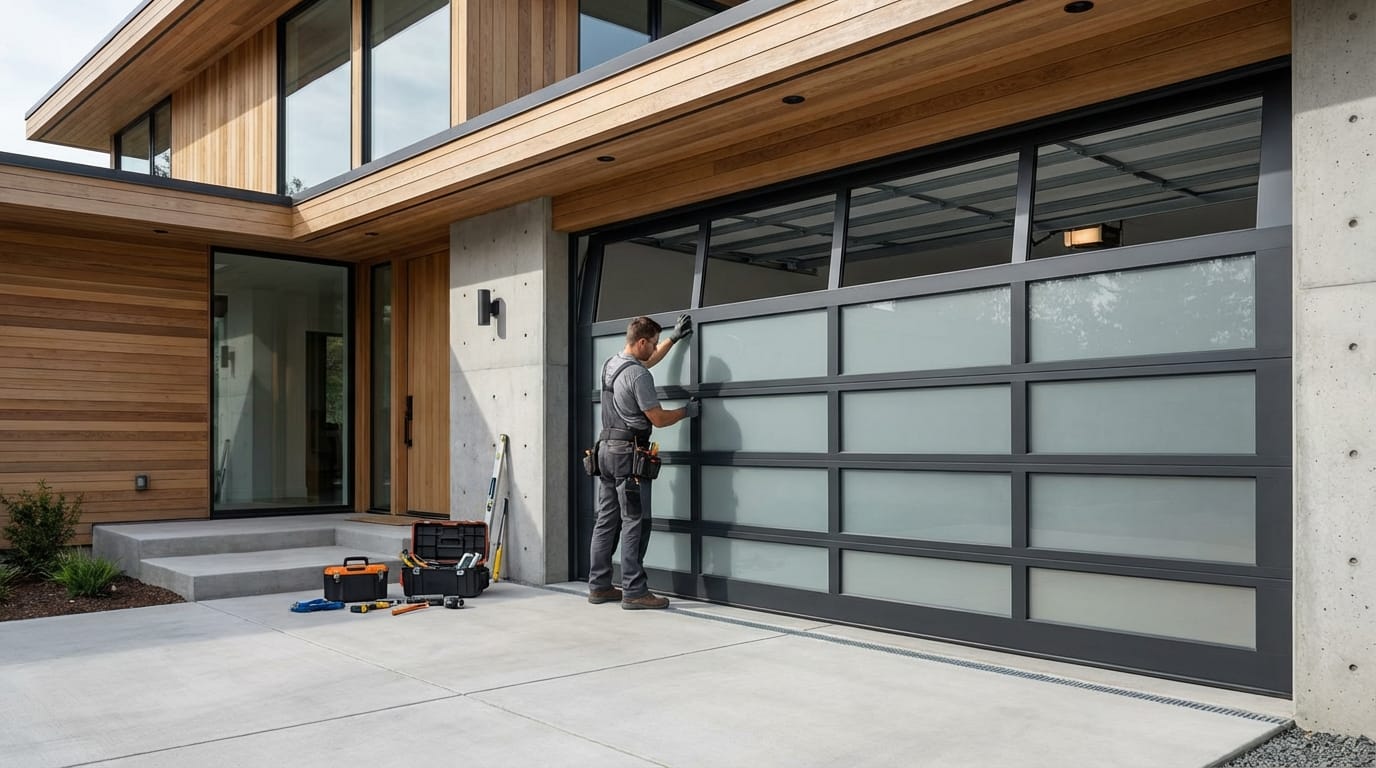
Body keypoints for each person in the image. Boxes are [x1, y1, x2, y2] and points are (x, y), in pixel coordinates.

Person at [588, 314, 699, 609]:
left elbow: (646, 362)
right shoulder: (639, 376)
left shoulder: (612, 364)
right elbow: (658, 419)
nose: (653, 348)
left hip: (605, 452)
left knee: (606, 521)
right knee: (635, 522)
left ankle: (599, 586)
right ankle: (634, 592)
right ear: (640, 342)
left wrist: (672, 339)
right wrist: (685, 412)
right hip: (628, 457)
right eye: (651, 343)